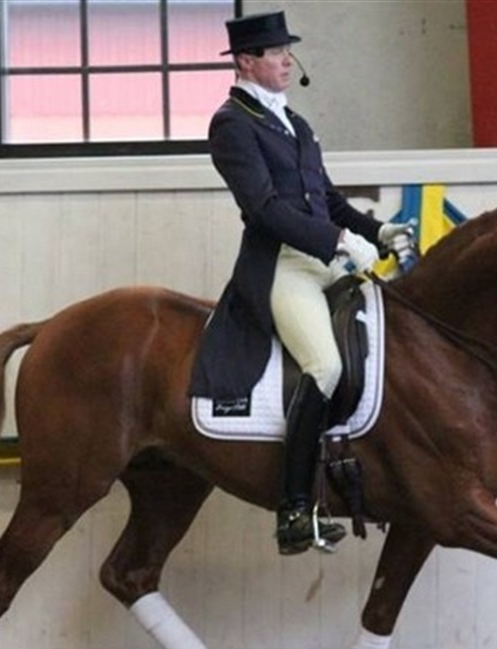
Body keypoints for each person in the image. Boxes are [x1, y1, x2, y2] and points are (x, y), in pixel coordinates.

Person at [191, 10, 413, 556]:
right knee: (325, 365)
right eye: (275, 52)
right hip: (282, 266)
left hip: (323, 259)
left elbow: (329, 201)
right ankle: (294, 509)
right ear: (246, 62)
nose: (287, 60)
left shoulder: (295, 122)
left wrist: (378, 231)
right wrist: (338, 242)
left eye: (287, 50)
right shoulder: (232, 124)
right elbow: (264, 208)